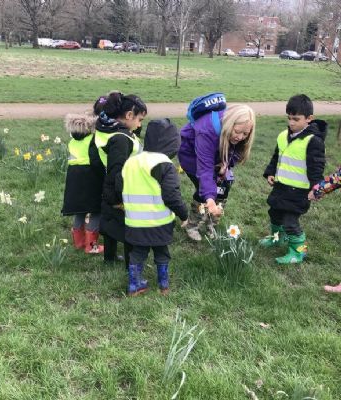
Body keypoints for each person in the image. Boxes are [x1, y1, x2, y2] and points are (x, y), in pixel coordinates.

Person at [120, 119, 188, 296]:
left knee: (138, 251)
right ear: (171, 143)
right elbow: (171, 195)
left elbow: (120, 186)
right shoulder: (164, 163)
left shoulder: (131, 162)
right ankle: (163, 285)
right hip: (160, 221)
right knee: (161, 251)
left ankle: (134, 285)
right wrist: (184, 215)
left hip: (134, 221)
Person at [259, 94, 327, 264]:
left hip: (299, 191)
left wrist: (316, 188)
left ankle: (298, 252)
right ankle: (277, 238)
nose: (291, 122)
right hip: (281, 187)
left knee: (290, 222)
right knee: (274, 213)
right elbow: (277, 157)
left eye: (296, 119)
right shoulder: (283, 136)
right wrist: (270, 173)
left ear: (309, 119)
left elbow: (316, 167)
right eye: (289, 118)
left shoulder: (314, 141)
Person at [178, 103, 256, 240]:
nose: (239, 137)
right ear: (229, 124)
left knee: (222, 188)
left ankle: (210, 224)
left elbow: (236, 151)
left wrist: (226, 163)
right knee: (205, 190)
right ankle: (192, 225)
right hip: (192, 158)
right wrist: (209, 198)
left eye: (245, 133)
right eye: (237, 132)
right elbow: (205, 169)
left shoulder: (237, 135)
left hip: (216, 154)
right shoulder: (206, 131)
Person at [90, 92, 147, 266]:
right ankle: (131, 264)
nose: (139, 124)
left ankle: (110, 258)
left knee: (110, 225)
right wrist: (121, 195)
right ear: (129, 115)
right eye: (140, 119)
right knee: (128, 227)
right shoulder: (121, 139)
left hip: (108, 186)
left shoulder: (106, 129)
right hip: (120, 189)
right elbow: (118, 169)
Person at [61, 113, 104, 254]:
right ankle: (91, 245)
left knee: (80, 210)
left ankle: (79, 242)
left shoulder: (72, 142)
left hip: (74, 176)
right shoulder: (93, 140)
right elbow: (97, 162)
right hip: (90, 176)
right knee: (96, 209)